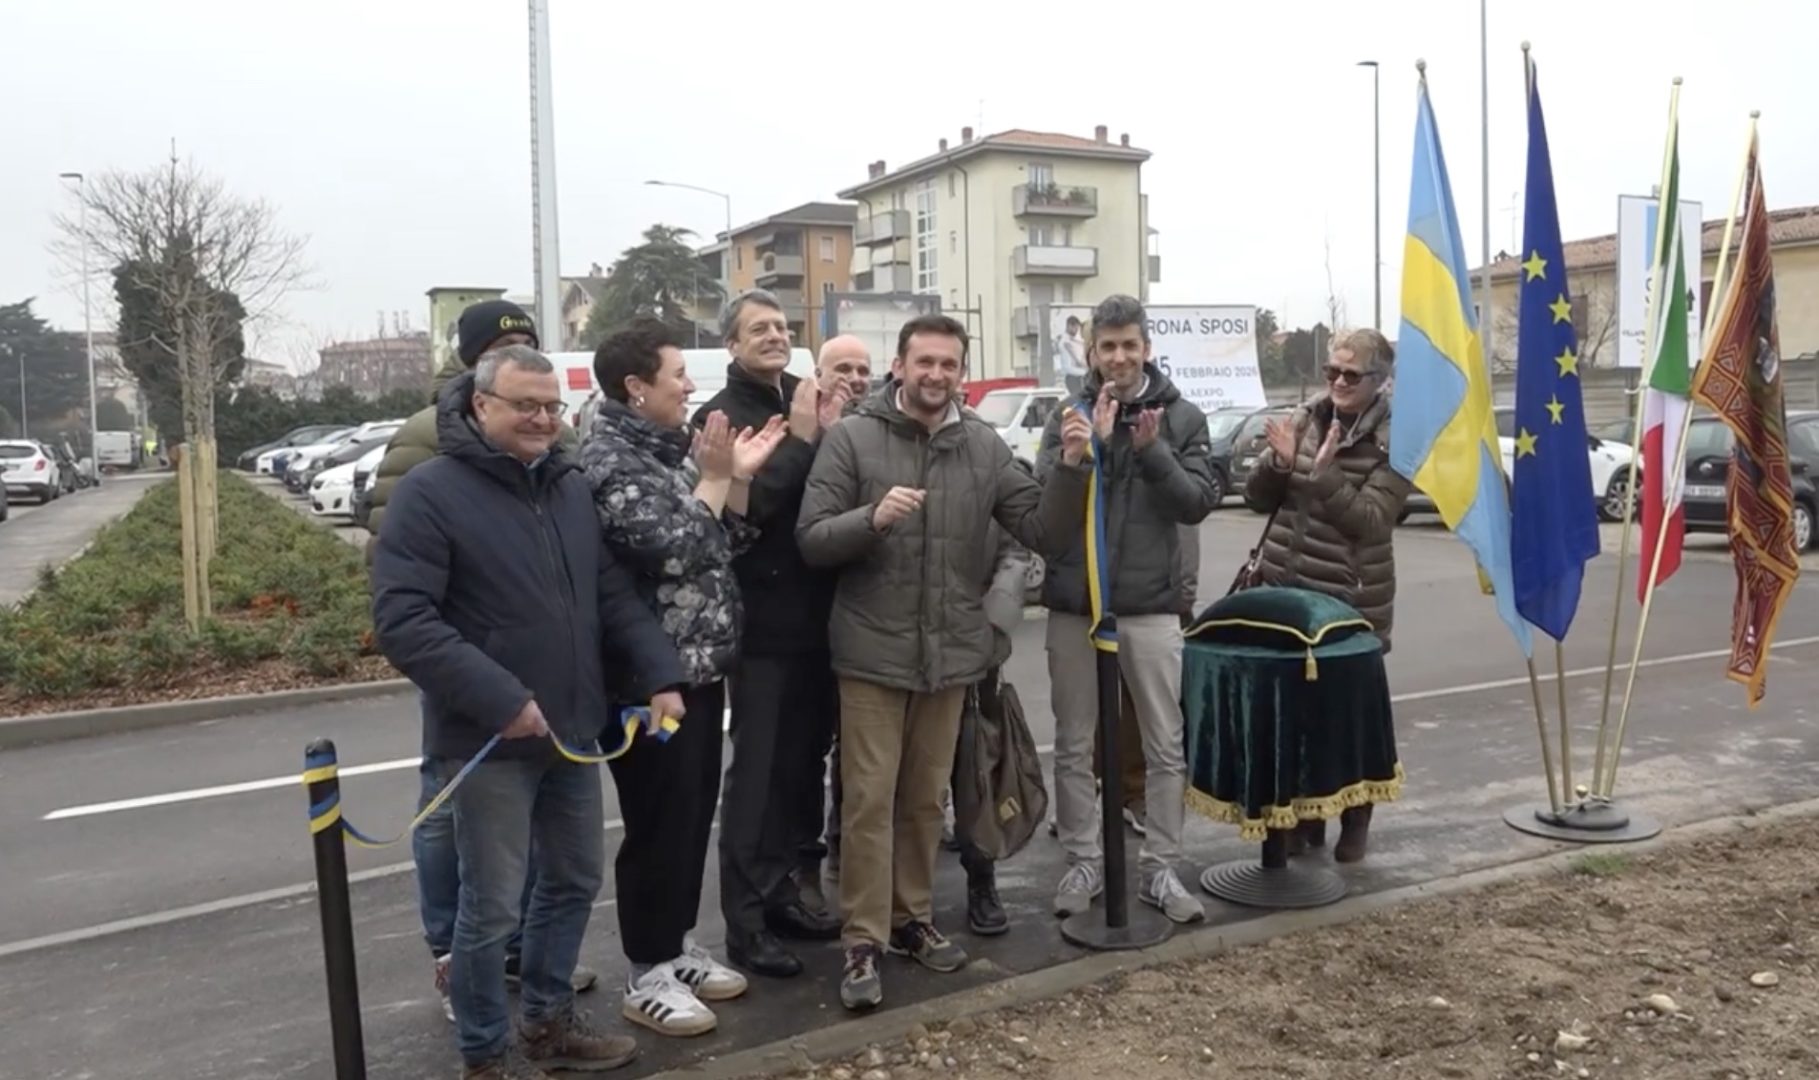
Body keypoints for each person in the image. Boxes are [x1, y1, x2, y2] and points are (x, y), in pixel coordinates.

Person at [371, 344, 688, 1079]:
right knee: (490, 910)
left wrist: (658, 677)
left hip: (573, 731)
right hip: (488, 742)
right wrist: (501, 699)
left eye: (551, 406)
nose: (543, 420)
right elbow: (404, 622)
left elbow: (610, 597)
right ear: (481, 406)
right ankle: (483, 1054)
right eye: (525, 406)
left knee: (574, 880)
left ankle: (547, 1024)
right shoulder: (430, 492)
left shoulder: (567, 486)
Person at [797, 313, 1075, 1011]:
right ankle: (862, 939)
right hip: (870, 651)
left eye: (948, 365)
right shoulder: (853, 437)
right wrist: (872, 518)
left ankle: (910, 919)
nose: (935, 375)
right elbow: (810, 540)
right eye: (924, 362)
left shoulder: (982, 446)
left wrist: (1070, 469)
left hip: (951, 653)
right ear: (900, 365)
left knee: (924, 800)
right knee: (867, 801)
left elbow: (1042, 530)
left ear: (961, 372)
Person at [358, 301, 598, 1019]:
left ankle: (535, 995)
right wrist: (487, 684)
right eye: (507, 353)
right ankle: (462, 978)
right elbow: (402, 591)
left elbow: (582, 571)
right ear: (478, 381)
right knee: (451, 838)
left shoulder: (558, 462)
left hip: (560, 712)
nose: (540, 415)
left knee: (561, 871)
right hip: (476, 699)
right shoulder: (427, 456)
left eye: (548, 400)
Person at [578, 319, 787, 1037]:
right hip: (649, 681)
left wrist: (732, 482)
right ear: (636, 388)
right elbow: (669, 549)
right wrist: (719, 478)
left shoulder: (667, 451)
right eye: (675, 376)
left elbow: (721, 541)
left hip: (699, 669)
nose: (688, 386)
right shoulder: (609, 460)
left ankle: (673, 947)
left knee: (691, 813)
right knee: (657, 821)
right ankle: (646, 971)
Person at [1038, 294, 1220, 927]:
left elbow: (1196, 501)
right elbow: (1047, 519)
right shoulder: (1068, 414)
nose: (1118, 357)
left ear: (1146, 348)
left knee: (1165, 744)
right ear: (1091, 353)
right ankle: (1084, 859)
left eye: (1129, 345)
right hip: (1076, 604)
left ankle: (1161, 869)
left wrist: (1149, 451)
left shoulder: (1181, 417)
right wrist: (1079, 456)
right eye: (1107, 347)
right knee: (1073, 742)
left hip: (1149, 606)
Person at [692, 290, 848, 980]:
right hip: (760, 629)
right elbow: (750, 504)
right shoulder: (720, 418)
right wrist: (810, 436)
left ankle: (785, 893)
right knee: (755, 779)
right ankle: (745, 923)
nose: (774, 337)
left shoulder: (804, 397)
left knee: (800, 771)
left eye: (782, 327)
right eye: (758, 329)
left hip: (821, 621)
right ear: (730, 344)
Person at [1243, 328, 1409, 862]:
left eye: (1350, 374)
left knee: (1348, 722)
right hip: (1285, 597)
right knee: (1294, 720)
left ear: (1380, 382)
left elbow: (1371, 520)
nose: (1337, 381)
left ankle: (1356, 819)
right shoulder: (1303, 419)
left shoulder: (1397, 439)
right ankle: (1307, 818)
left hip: (1349, 604)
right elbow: (1256, 499)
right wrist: (1280, 464)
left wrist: (1322, 472)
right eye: (1331, 371)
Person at [791, 334, 875, 913]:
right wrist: (818, 432)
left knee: (863, 754)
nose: (853, 377)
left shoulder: (886, 423)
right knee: (807, 750)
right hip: (804, 618)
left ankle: (853, 855)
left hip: (872, 615)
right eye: (841, 367)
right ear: (817, 373)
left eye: (862, 368)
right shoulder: (800, 425)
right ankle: (805, 863)